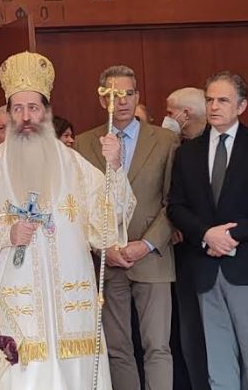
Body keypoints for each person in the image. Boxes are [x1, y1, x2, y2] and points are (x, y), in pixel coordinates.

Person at [0, 51, 136, 390]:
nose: (26, 117)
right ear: (9, 114)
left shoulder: (74, 165)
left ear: (46, 113)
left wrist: (115, 167)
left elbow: (107, 222)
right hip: (19, 312)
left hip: (71, 311)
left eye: (33, 108)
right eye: (18, 108)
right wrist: (7, 234)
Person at [75, 65, 178, 390]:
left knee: (157, 346)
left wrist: (146, 244)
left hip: (153, 257)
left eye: (128, 93)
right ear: (101, 98)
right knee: (118, 349)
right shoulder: (84, 143)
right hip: (108, 260)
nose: (121, 101)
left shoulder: (165, 140)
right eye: (113, 94)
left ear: (137, 96)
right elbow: (80, 206)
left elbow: (173, 202)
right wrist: (103, 247)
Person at [168, 71, 248, 390]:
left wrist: (230, 236)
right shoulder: (188, 152)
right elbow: (176, 206)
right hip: (204, 268)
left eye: (223, 100)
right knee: (218, 361)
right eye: (210, 100)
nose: (214, 106)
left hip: (244, 265)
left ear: (241, 106)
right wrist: (206, 234)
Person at [163, 87, 210, 390]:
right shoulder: (182, 150)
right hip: (188, 255)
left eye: (170, 113)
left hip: (227, 254)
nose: (167, 118)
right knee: (192, 336)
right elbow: (174, 203)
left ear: (185, 114)